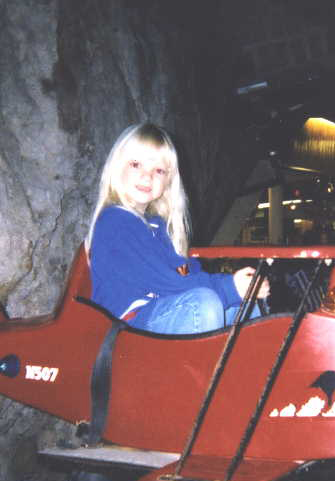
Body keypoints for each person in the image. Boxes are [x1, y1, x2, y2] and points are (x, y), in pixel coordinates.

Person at [86, 123, 268, 334]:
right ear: (118, 167)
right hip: (126, 325)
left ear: (168, 181)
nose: (147, 176)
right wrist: (230, 287)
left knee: (246, 309)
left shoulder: (156, 226)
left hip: (156, 312)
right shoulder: (116, 221)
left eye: (159, 170)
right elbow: (166, 281)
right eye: (136, 164)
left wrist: (241, 287)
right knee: (204, 304)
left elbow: (185, 271)